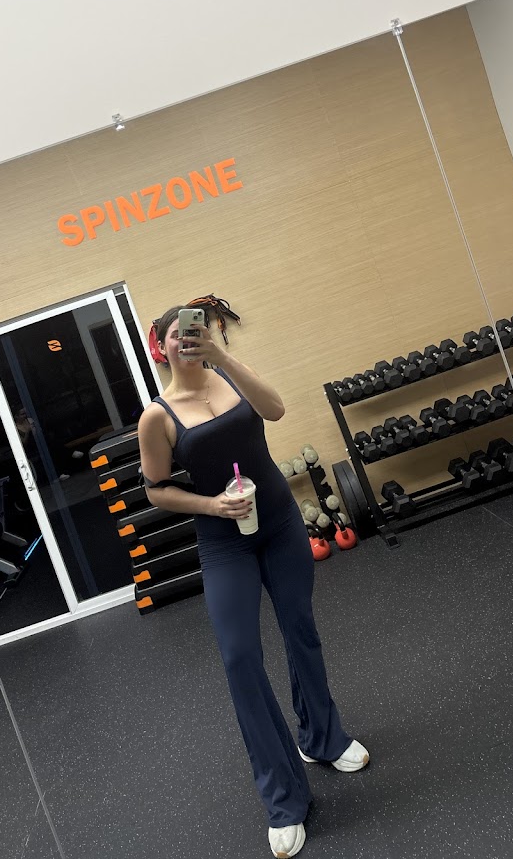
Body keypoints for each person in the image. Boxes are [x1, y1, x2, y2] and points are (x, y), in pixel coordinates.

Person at [137, 306, 369, 859]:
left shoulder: (230, 375)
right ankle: (283, 797)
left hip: (282, 524)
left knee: (300, 629)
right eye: (177, 336)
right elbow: (155, 489)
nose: (188, 341)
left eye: (195, 331)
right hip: (224, 542)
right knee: (240, 658)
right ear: (162, 347)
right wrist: (213, 505)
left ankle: (322, 737)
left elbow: (276, 409)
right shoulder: (157, 416)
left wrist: (221, 355)